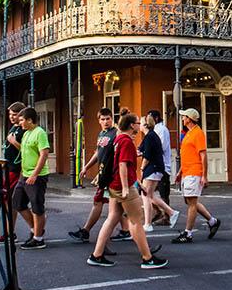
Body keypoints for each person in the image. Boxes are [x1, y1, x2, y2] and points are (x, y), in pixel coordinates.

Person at [87, 113, 167, 269]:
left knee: (112, 218)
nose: (140, 125)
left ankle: (97, 254)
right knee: (136, 221)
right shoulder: (127, 142)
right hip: (123, 187)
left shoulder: (118, 139)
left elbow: (121, 166)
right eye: (138, 122)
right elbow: (123, 165)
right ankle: (147, 258)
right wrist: (126, 187)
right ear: (132, 125)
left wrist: (138, 183)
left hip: (114, 184)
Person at [68, 107, 131, 243]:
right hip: (104, 174)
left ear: (111, 119)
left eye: (108, 118)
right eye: (103, 119)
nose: (106, 121)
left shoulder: (116, 133)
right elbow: (98, 153)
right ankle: (126, 230)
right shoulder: (101, 134)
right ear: (99, 121)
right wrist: (86, 167)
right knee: (117, 205)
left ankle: (86, 231)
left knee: (99, 202)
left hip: (111, 175)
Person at [172, 108, 221, 244]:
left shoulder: (198, 134)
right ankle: (212, 221)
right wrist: (180, 171)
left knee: (192, 202)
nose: (182, 119)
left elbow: (203, 155)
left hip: (194, 172)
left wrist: (205, 176)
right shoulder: (189, 133)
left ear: (189, 119)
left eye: (184, 117)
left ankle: (188, 233)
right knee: (189, 201)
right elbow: (187, 154)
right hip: (187, 171)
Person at [12, 107, 50, 250]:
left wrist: (34, 174)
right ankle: (36, 228)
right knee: (17, 202)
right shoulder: (26, 133)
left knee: (37, 207)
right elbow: (24, 152)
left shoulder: (40, 133)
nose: (20, 122)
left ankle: (38, 239)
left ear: (29, 120)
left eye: (22, 120)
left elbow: (44, 154)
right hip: (24, 175)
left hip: (37, 176)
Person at [139, 113, 179, 232]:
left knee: (145, 195)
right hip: (157, 169)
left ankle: (148, 223)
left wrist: (141, 169)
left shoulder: (150, 136)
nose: (139, 126)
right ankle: (171, 212)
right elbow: (140, 150)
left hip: (153, 168)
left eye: (140, 123)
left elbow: (147, 156)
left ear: (145, 125)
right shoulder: (151, 136)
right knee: (150, 195)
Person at [0, 102, 25, 241]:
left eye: (14, 115)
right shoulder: (12, 128)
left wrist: (13, 141)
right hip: (8, 168)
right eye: (10, 115)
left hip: (16, 169)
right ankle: (9, 231)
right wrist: (2, 167)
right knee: (8, 201)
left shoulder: (22, 130)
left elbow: (26, 150)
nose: (11, 117)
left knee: (12, 201)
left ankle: (36, 228)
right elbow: (7, 150)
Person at [148, 109, 173, 218]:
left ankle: (167, 216)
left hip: (162, 165)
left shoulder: (162, 129)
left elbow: (161, 147)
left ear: (156, 118)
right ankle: (158, 212)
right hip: (155, 166)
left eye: (150, 117)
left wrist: (148, 151)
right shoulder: (154, 130)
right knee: (148, 192)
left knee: (163, 193)